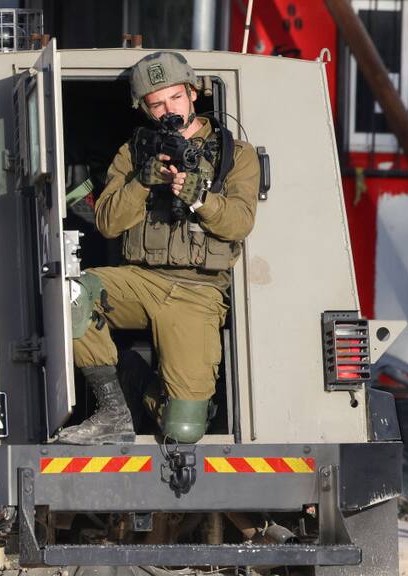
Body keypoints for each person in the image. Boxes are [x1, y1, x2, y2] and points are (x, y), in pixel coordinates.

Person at [58, 52, 260, 445]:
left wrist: (199, 197)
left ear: (192, 94)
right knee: (72, 292)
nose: (169, 110)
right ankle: (112, 412)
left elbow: (240, 222)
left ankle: (132, 375)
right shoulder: (132, 154)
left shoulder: (235, 155)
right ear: (146, 110)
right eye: (157, 104)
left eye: (175, 99)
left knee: (183, 429)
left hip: (198, 292)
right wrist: (142, 181)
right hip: (141, 280)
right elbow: (108, 224)